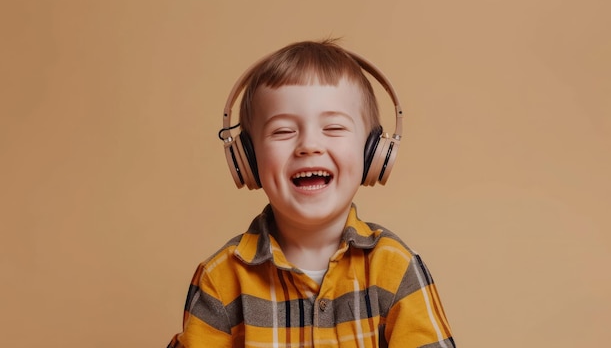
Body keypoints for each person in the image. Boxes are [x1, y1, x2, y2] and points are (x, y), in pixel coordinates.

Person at [167, 39, 455, 348]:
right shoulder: (220, 279)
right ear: (248, 160)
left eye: (333, 128)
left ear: (372, 153)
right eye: (283, 131)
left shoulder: (396, 267)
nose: (309, 146)